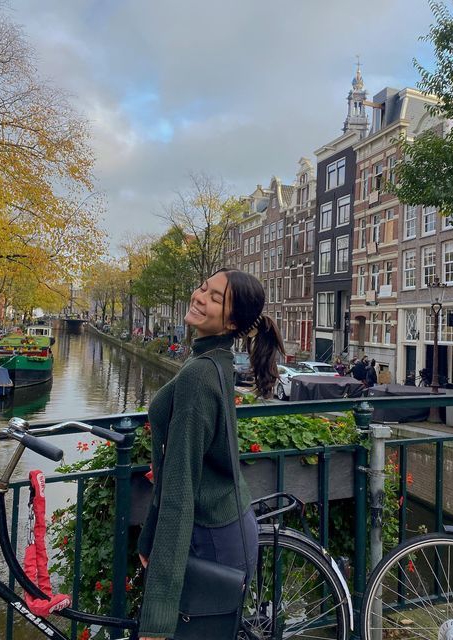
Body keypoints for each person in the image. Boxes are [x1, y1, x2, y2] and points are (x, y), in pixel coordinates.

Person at [137, 269, 285, 640]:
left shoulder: (200, 375)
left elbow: (181, 486)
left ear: (232, 321)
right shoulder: (212, 361)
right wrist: (149, 538)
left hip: (213, 540)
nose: (200, 297)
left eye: (215, 297)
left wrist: (157, 616)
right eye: (203, 287)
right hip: (226, 527)